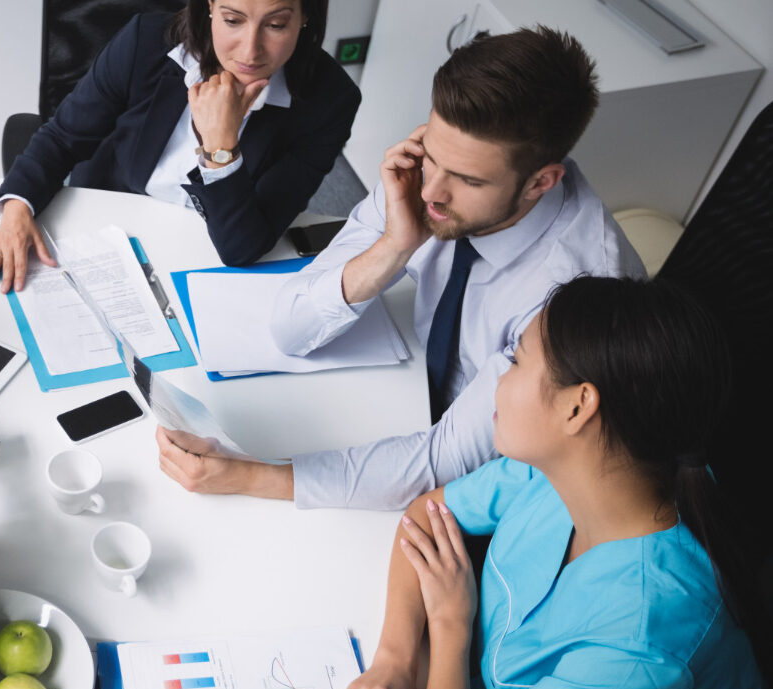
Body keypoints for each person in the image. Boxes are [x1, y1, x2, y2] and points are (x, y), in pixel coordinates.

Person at [157, 27, 644, 510]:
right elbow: (291, 327)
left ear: (541, 182)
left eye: (468, 180)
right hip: (407, 394)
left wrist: (250, 475)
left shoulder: (575, 293)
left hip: (514, 476)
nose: (432, 192)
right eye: (432, 155)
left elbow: (445, 459)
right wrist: (394, 245)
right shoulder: (427, 176)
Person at [328, 276, 771, 689]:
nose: (500, 379)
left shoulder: (640, 640)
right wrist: (393, 660)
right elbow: (426, 514)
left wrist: (451, 625)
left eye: (516, 361)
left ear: (577, 408)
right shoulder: (570, 466)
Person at [0, 0, 361, 290]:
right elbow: (62, 137)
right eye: (232, 20)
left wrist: (220, 147)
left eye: (276, 24)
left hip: (208, 256)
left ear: (305, 16)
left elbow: (241, 248)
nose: (249, 51)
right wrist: (17, 206)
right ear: (210, 6)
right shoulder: (144, 41)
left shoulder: (330, 101)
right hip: (112, 226)